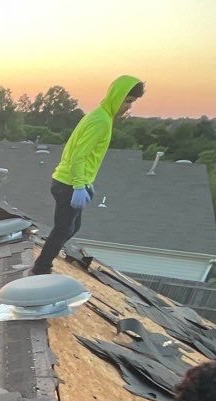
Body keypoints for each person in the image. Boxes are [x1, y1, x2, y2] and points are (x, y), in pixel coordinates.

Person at [30, 76, 144, 275]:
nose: (128, 107)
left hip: (71, 181)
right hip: (68, 183)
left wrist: (86, 182)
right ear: (116, 97)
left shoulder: (101, 117)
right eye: (127, 101)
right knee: (63, 229)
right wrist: (79, 185)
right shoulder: (100, 121)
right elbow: (78, 156)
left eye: (131, 102)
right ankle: (41, 269)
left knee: (73, 227)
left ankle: (48, 256)